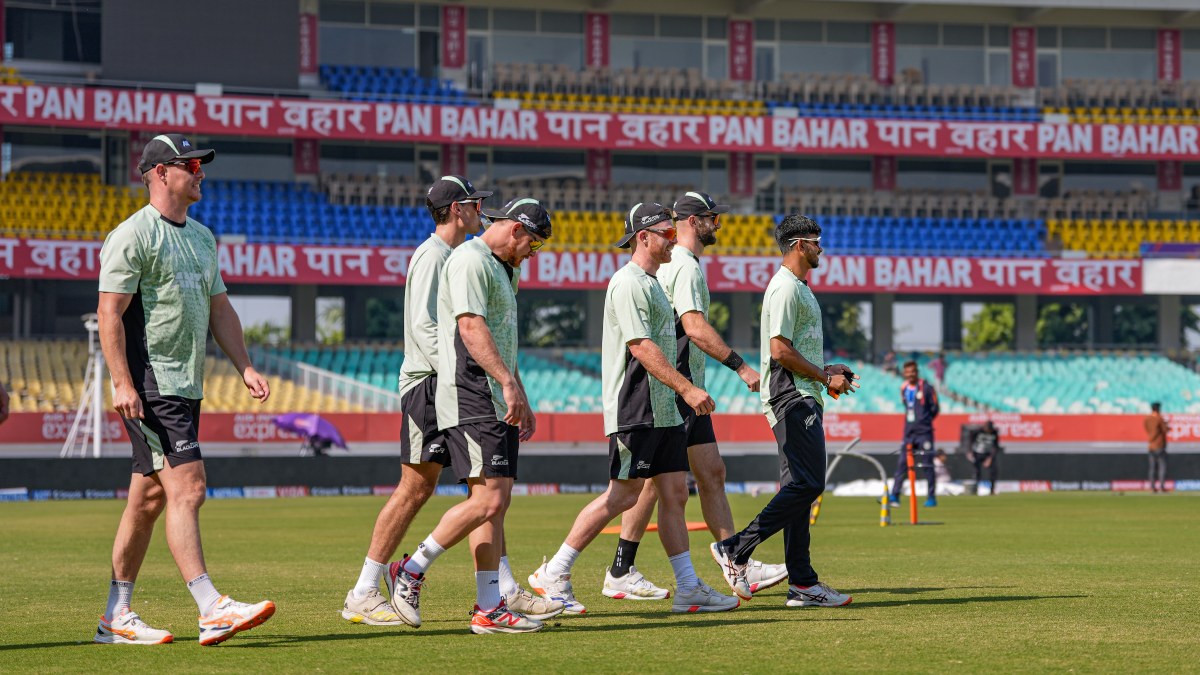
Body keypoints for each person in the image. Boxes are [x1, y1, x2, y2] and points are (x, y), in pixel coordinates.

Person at [342, 176, 555, 627]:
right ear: (458, 209)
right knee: (419, 488)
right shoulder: (435, 256)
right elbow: (428, 330)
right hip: (434, 382)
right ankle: (364, 589)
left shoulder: (479, 259)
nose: (483, 209)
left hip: (461, 382)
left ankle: (498, 591)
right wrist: (471, 377)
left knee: (486, 490)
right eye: (477, 203)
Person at [95, 134, 275, 646]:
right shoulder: (131, 235)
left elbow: (220, 308)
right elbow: (110, 313)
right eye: (190, 164)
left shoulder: (202, 236)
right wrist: (123, 383)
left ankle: (116, 615)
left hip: (184, 385)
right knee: (189, 488)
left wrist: (244, 366)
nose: (200, 172)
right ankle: (210, 605)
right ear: (158, 173)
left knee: (148, 500)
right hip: (152, 385)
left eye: (200, 164)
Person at [528, 202, 739, 614]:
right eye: (665, 232)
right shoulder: (627, 283)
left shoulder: (654, 282)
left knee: (674, 494)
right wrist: (688, 389)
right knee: (622, 496)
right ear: (643, 236)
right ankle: (554, 570)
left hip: (662, 410)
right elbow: (641, 348)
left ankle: (688, 587)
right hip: (636, 408)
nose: (673, 239)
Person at [602, 191, 786, 602]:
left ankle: (732, 558)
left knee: (707, 474)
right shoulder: (684, 266)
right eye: (712, 218)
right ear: (691, 221)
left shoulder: (678, 264)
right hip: (678, 388)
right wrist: (739, 365)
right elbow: (694, 326)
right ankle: (609, 567)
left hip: (681, 388)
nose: (717, 225)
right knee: (655, 483)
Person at [709, 214, 858, 609]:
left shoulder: (799, 288)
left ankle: (803, 584)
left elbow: (794, 352)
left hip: (801, 392)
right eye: (815, 240)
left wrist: (827, 371)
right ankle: (735, 549)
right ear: (797, 245)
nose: (821, 247)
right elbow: (779, 352)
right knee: (809, 484)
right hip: (792, 398)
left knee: (798, 490)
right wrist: (824, 381)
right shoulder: (785, 289)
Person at [887, 361, 940, 508]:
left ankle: (931, 497)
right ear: (904, 373)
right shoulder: (903, 388)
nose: (910, 375)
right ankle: (895, 496)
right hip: (909, 433)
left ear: (917, 372)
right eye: (907, 372)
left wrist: (924, 421)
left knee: (927, 464)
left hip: (925, 433)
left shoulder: (927, 388)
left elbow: (935, 408)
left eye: (913, 372)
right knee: (902, 464)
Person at [968, 421, 1001, 495]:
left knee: (994, 471)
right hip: (977, 453)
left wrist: (990, 458)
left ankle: (992, 490)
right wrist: (970, 451)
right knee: (977, 472)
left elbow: (995, 446)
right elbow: (970, 441)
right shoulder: (977, 431)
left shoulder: (994, 433)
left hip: (988, 454)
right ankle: (975, 490)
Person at [1145, 402, 1170, 492]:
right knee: (1162, 466)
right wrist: (1167, 425)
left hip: (1151, 445)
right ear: (1158, 409)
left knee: (1152, 468)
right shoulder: (1159, 418)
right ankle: (1162, 487)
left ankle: (1152, 487)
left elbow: (1147, 429)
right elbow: (1165, 430)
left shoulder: (1147, 419)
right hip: (1159, 445)